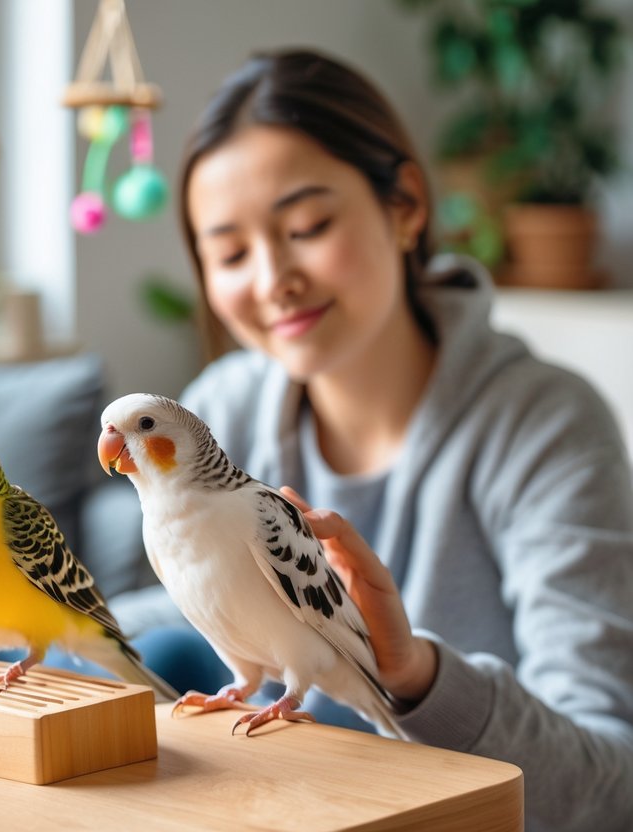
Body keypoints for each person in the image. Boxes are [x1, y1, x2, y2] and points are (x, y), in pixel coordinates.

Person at [107, 48, 633, 832]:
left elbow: (610, 787)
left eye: (308, 226)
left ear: (406, 205)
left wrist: (413, 674)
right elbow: (183, 602)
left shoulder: (545, 425)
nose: (271, 277)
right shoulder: (225, 405)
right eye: (228, 253)